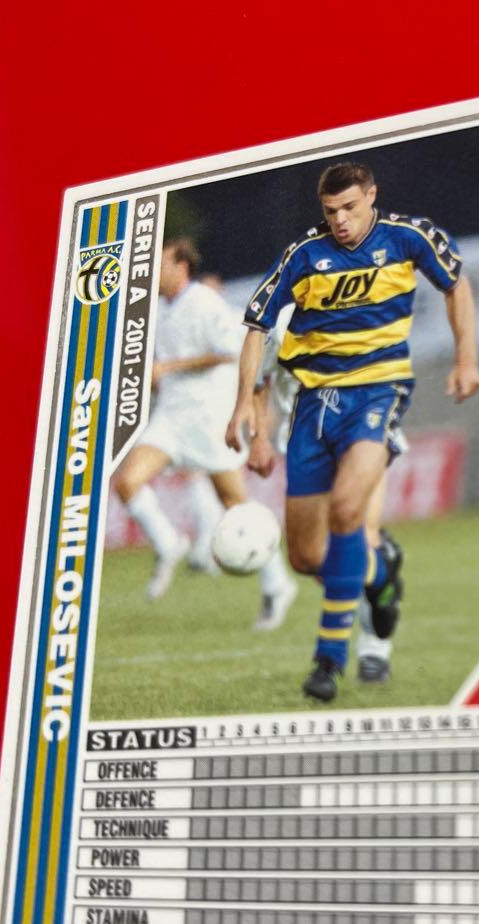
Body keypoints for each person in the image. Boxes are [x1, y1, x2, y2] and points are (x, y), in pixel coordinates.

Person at [227, 162, 479, 700]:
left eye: (349, 208)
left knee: (351, 517)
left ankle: (341, 656)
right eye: (330, 211)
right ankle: (380, 574)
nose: (340, 220)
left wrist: (466, 359)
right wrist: (251, 422)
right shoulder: (302, 261)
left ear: (371, 197)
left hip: (376, 397)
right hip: (313, 414)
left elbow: (455, 282)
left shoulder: (407, 237)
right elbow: (257, 342)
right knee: (307, 557)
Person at [114, 237, 297, 630]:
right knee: (127, 481)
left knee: (236, 505)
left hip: (208, 417)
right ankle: (168, 543)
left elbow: (231, 350)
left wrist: (169, 368)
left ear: (182, 266)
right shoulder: (160, 310)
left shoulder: (204, 303)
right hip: (171, 416)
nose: (153, 272)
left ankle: (277, 584)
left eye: (161, 263)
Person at [250, 320, 394, 681]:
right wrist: (259, 438)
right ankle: (381, 570)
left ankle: (372, 649)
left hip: (364, 428)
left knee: (360, 533)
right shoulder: (277, 322)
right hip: (306, 442)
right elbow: (259, 379)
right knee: (309, 558)